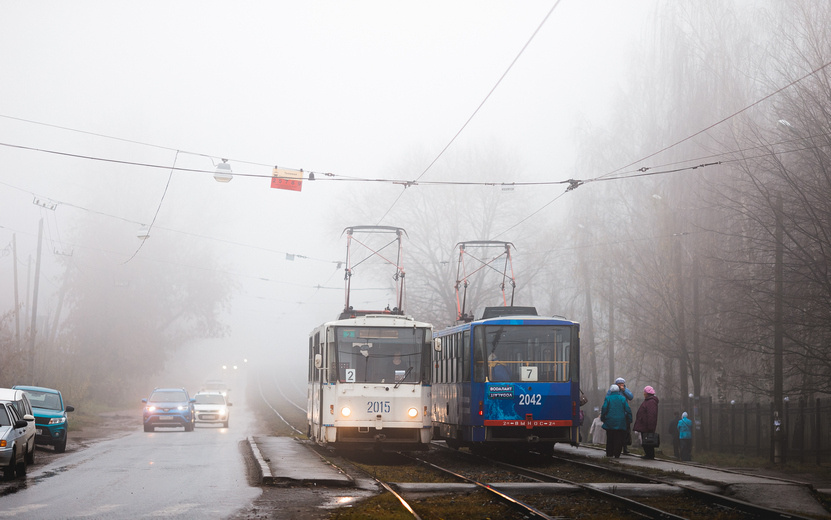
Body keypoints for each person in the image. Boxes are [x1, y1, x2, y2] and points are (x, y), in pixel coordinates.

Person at [601, 384, 632, 458]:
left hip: (610, 421)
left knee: (610, 438)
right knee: (619, 438)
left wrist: (603, 418)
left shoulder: (608, 398)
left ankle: (609, 453)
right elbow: (628, 409)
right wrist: (630, 419)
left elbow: (604, 408)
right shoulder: (622, 399)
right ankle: (617, 453)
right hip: (620, 422)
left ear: (611, 390)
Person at [607, 377, 634, 453]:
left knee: (625, 431)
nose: (621, 385)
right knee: (615, 432)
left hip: (624, 414)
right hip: (615, 414)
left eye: (622, 384)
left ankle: (624, 447)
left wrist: (624, 390)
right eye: (619, 384)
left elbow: (631, 397)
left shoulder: (625, 390)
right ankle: (615, 447)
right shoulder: (612, 390)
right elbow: (608, 399)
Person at [633, 386, 659, 459]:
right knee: (646, 440)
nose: (643, 393)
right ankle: (648, 454)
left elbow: (651, 415)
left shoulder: (651, 402)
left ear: (647, 393)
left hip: (646, 425)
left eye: (644, 392)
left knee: (648, 441)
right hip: (644, 425)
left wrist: (650, 426)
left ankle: (649, 455)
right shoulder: (648, 401)